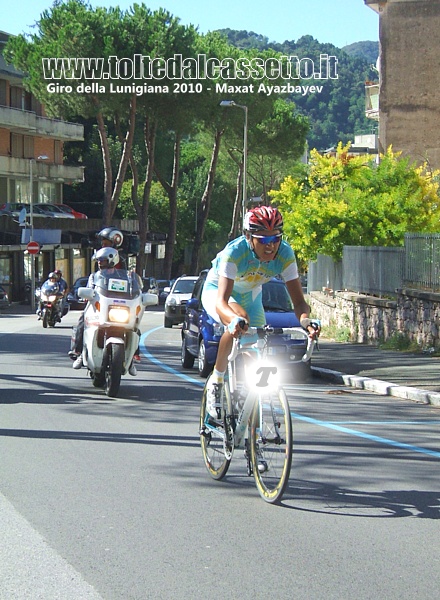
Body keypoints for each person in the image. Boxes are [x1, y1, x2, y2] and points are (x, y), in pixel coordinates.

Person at [201, 205, 321, 418]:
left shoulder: (285, 254)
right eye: (263, 240)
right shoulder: (234, 252)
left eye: (276, 238)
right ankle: (217, 382)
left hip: (251, 294)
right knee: (240, 321)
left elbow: (299, 303)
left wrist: (306, 321)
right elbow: (222, 302)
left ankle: (249, 405)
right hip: (218, 292)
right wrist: (233, 320)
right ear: (249, 237)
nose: (271, 246)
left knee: (255, 348)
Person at [68, 227, 139, 374]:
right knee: (83, 319)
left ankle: (132, 357)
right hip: (101, 298)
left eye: (106, 242)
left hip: (121, 302)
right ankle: (80, 352)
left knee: (135, 324)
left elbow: (132, 283)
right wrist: (89, 294)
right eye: (103, 242)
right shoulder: (98, 260)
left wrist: (138, 294)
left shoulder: (123, 260)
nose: (103, 245)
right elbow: (95, 280)